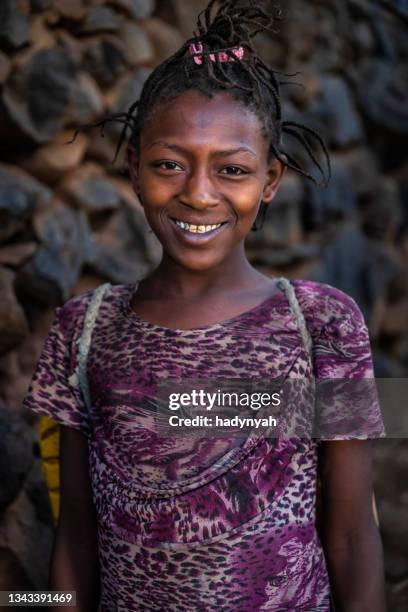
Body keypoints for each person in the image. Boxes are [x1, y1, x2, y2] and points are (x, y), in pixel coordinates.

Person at [23, 1, 387, 610]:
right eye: (170, 164)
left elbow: (352, 533)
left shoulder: (321, 325)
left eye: (232, 170)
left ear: (269, 180)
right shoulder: (85, 331)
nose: (198, 194)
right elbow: (76, 538)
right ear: (134, 167)